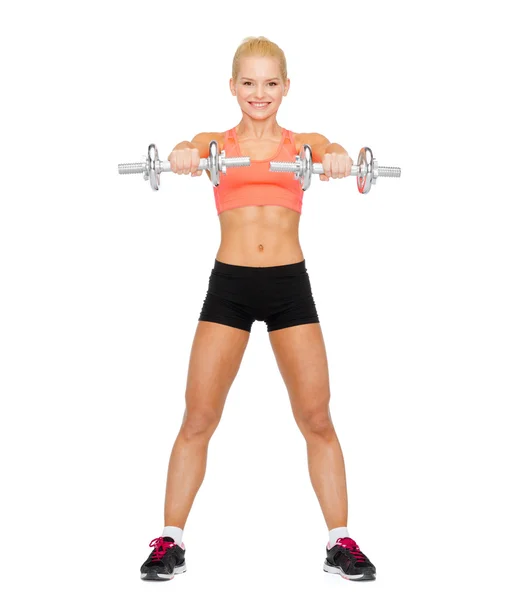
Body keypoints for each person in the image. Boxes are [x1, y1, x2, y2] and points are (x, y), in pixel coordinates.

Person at [140, 36, 376, 583]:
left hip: (290, 286)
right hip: (230, 286)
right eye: (249, 82)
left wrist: (339, 161)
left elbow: (335, 149)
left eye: (271, 82)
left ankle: (340, 542)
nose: (259, 93)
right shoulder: (215, 143)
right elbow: (185, 146)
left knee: (317, 418)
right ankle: (168, 541)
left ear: (286, 87)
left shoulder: (304, 145)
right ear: (232, 87)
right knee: (198, 417)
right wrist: (181, 158)